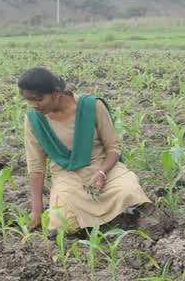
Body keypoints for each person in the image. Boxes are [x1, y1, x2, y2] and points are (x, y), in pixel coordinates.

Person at [18, 67, 151, 232]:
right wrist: (36, 211)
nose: (34, 105)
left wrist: (101, 173)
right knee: (62, 222)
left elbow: (113, 147)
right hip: (66, 173)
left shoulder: (91, 106)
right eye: (29, 100)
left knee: (128, 192)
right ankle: (113, 217)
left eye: (38, 99)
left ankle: (122, 216)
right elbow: (36, 166)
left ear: (57, 92)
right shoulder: (33, 120)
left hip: (102, 167)